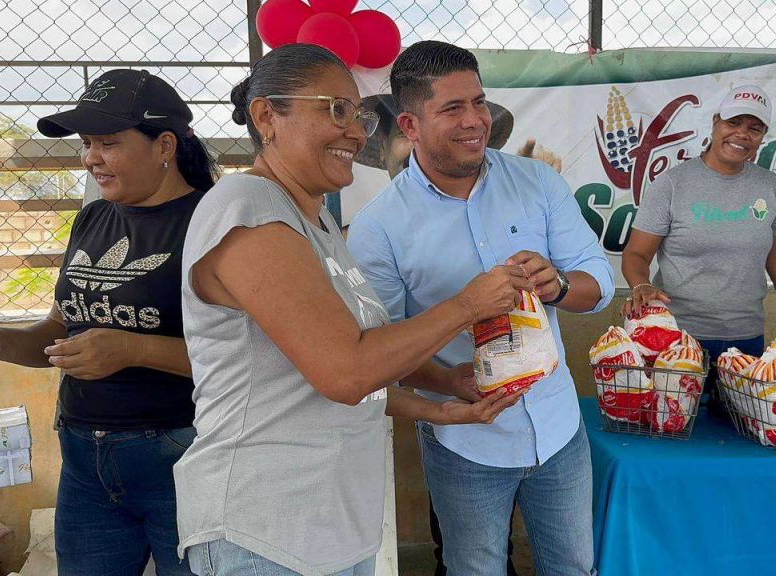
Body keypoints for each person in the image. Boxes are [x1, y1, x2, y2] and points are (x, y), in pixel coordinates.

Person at [174, 43, 527, 576]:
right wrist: (467, 305)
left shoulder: (314, 224)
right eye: (334, 109)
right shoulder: (247, 207)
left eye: (357, 114)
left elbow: (341, 370)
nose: (358, 132)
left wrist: (443, 393)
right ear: (267, 115)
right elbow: (346, 370)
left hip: (329, 525)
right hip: (264, 531)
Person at [347, 40, 614, 576]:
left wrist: (557, 283)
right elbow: (384, 350)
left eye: (479, 102)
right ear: (410, 124)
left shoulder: (537, 182)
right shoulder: (379, 227)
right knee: (475, 569)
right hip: (465, 437)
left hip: (558, 426)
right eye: (452, 108)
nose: (475, 121)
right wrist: (449, 383)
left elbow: (600, 285)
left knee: (573, 567)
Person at [0, 69, 216, 575]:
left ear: (164, 146)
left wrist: (135, 349)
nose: (90, 158)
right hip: (85, 456)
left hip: (181, 450)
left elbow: (251, 357)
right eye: (87, 143)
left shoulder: (213, 222)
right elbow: (58, 330)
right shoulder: (94, 218)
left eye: (108, 143)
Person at [621, 84, 776, 396]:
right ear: (716, 122)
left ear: (762, 136)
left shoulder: (768, 185)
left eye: (754, 128)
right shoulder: (673, 184)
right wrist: (640, 284)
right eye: (733, 123)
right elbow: (636, 254)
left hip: (746, 339)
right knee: (678, 430)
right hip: (677, 340)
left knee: (742, 432)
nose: (742, 134)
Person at [357, 92, 562, 180]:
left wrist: (524, 186)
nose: (427, 146)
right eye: (406, 132)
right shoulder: (364, 235)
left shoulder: (506, 209)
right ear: (384, 149)